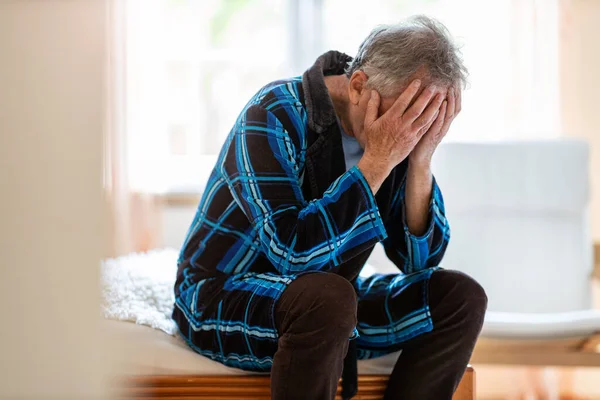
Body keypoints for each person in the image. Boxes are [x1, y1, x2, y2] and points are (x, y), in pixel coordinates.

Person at [172, 15, 487, 400]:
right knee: (328, 298)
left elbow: (420, 262)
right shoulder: (272, 114)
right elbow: (294, 256)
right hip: (223, 294)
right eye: (410, 117)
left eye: (426, 119)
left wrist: (420, 159)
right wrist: (378, 161)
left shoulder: (401, 130)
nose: (412, 128)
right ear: (358, 86)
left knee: (461, 297)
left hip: (330, 308)